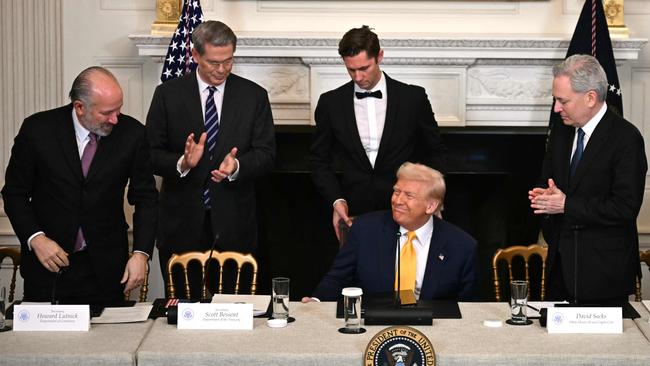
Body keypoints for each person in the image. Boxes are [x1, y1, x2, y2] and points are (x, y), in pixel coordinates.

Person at [1, 66, 157, 305]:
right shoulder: (38, 130)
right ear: (80, 107)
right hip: (48, 266)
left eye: (119, 109)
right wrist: (36, 238)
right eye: (107, 112)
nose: (116, 119)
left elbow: (146, 198)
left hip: (105, 272)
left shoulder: (133, 134)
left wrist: (141, 254)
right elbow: (14, 193)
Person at [146, 20, 275, 294]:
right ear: (195, 56)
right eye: (213, 62)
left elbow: (266, 154)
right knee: (183, 312)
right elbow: (150, 154)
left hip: (234, 224)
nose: (221, 69)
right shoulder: (167, 95)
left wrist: (238, 166)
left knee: (231, 312)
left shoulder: (254, 96)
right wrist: (182, 163)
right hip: (181, 223)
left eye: (228, 61)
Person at [310, 25, 447, 241]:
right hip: (354, 213)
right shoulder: (330, 103)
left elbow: (436, 152)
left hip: (409, 208)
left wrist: (433, 199)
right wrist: (336, 200)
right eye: (351, 70)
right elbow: (319, 160)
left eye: (364, 68)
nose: (358, 77)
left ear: (380, 56)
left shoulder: (413, 98)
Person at [529, 54, 647, 304]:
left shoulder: (626, 138)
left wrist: (566, 205)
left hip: (604, 275)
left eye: (563, 101)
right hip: (560, 269)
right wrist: (544, 198)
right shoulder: (561, 132)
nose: (556, 109)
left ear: (590, 97)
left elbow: (625, 208)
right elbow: (547, 182)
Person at [303, 162, 477, 302]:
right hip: (373, 327)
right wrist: (316, 302)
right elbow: (337, 278)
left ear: (431, 206)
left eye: (409, 196)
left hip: (434, 333)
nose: (397, 201)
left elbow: (468, 308)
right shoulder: (365, 230)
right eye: (396, 192)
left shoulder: (462, 246)